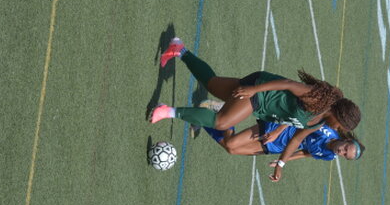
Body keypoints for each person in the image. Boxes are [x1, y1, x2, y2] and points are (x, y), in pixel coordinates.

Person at [148, 37, 361, 135]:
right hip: (260, 92)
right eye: (340, 127)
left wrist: (276, 132)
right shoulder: (317, 98)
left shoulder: (317, 123)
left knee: (212, 84)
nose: (336, 130)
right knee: (221, 122)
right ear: (340, 116)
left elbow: (292, 119)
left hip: (261, 100)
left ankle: (179, 49)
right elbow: (287, 84)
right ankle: (166, 111)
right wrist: (254, 90)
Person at [202, 119, 364, 180]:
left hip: (279, 146)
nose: (341, 152)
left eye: (345, 155)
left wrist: (283, 160)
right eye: (345, 148)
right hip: (275, 131)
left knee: (232, 149)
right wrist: (276, 131)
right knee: (231, 144)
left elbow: (306, 153)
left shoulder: (329, 156)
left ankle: (205, 120)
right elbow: (300, 119)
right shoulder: (326, 130)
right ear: (346, 140)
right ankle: (224, 115)